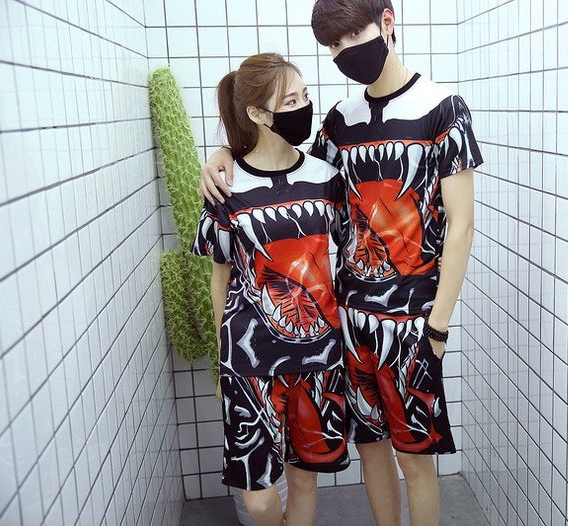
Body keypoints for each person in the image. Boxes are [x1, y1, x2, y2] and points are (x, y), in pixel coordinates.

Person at [200, 2, 482, 524]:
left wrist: (438, 326)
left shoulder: (444, 108)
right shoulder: (338, 121)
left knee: (415, 457)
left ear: (387, 22)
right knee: (372, 449)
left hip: (413, 320)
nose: (344, 51)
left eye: (353, 35)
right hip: (349, 323)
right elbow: (285, 165)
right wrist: (220, 157)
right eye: (333, 44)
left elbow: (461, 225)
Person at [191, 52, 349, 526]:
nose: (304, 107)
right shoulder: (226, 186)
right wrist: (222, 361)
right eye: (291, 101)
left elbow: (352, 252)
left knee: (304, 481)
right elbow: (220, 277)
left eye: (305, 96)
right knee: (259, 500)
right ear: (257, 114)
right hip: (249, 359)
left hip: (318, 355)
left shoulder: (326, 178)